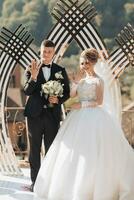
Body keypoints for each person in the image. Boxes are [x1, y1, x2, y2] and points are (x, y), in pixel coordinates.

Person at [34, 48, 134, 200]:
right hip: (77, 117)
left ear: (93, 62)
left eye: (87, 62)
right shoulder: (81, 79)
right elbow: (72, 95)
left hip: (93, 116)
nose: (84, 65)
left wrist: (82, 105)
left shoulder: (99, 80)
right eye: (82, 63)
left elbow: (100, 101)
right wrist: (75, 82)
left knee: (93, 150)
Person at [23, 40, 70, 191]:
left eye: (49, 52)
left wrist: (58, 99)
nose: (46, 54)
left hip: (52, 116)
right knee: (34, 150)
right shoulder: (31, 69)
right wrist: (34, 78)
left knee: (51, 150)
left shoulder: (60, 70)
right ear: (40, 51)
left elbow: (67, 92)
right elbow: (27, 91)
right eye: (44, 51)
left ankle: (50, 183)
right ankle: (35, 183)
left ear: (54, 53)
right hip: (34, 116)